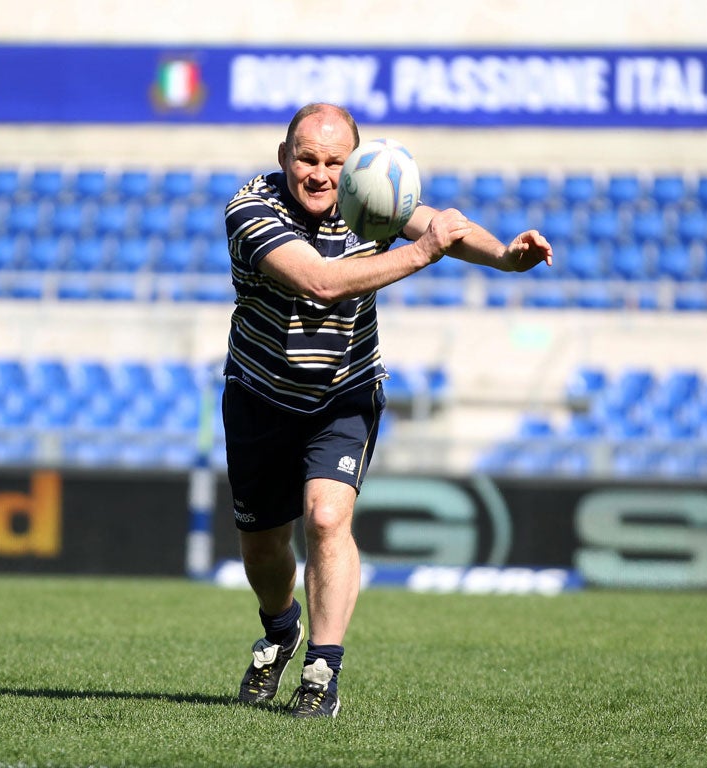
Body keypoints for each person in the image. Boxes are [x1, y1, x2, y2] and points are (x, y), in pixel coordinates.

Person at [222, 102, 553, 718]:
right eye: (306, 159)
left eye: (334, 162)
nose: (319, 174)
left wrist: (505, 256)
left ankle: (322, 669)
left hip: (344, 391)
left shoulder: (369, 194)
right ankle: (280, 628)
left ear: (351, 167)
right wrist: (422, 252)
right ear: (282, 158)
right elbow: (320, 281)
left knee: (325, 519)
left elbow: (442, 225)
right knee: (264, 554)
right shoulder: (250, 210)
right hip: (260, 396)